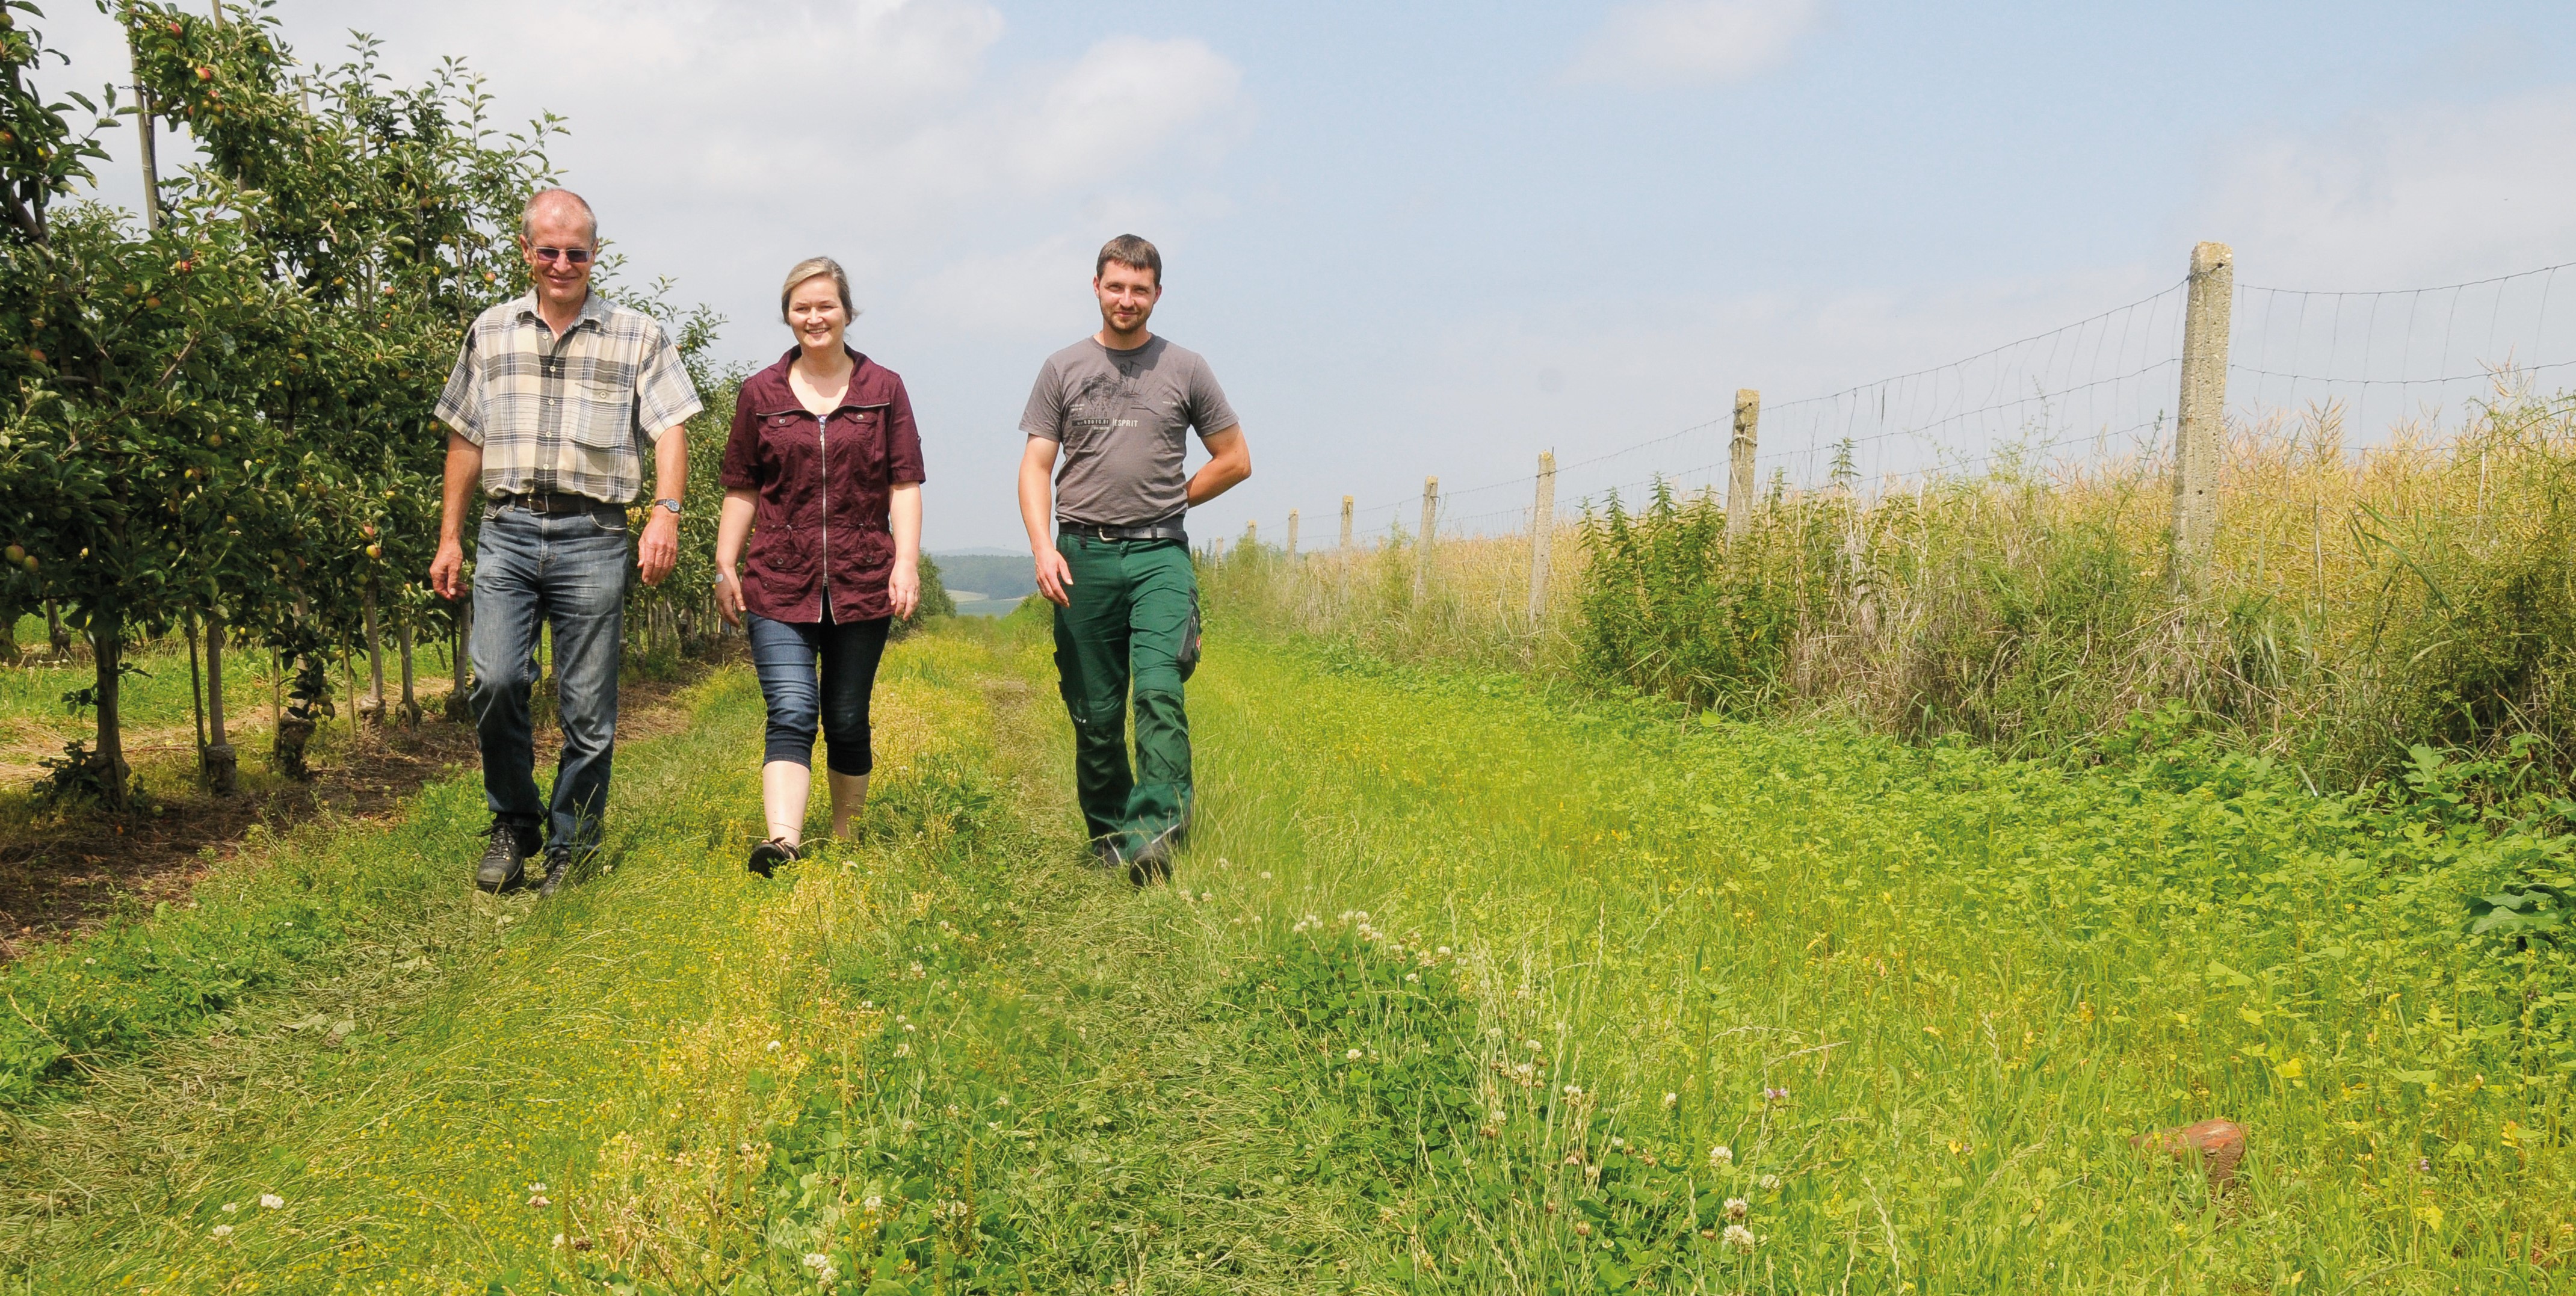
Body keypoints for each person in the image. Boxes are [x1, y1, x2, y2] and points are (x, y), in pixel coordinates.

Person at [429, 189, 703, 897]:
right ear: (526, 252)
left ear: (595, 256)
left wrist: (666, 511)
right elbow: (466, 435)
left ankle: (571, 845)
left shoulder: (637, 334)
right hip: (509, 528)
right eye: (548, 251)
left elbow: (672, 426)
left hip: (594, 532)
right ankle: (515, 824)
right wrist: (449, 536)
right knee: (493, 681)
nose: (561, 263)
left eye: (575, 252)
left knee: (587, 705)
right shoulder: (490, 331)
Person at [1018, 235, 1250, 884]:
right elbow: (1036, 467)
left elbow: (1235, 459)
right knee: (1094, 712)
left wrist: (1174, 497)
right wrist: (1042, 547)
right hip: (1080, 557)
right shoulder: (1062, 368)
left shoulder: (1187, 368)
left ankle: (1159, 832)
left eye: (1139, 289)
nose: (1127, 299)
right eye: (1116, 287)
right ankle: (1114, 834)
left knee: (1158, 690)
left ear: (1157, 294)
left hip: (1159, 557)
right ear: (1097, 287)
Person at [714, 257, 925, 875]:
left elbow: (905, 483)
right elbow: (742, 486)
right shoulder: (761, 394)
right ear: (788, 315)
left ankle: (848, 843)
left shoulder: (884, 389)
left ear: (847, 313)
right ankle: (783, 842)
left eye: (825, 305)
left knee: (847, 717)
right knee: (791, 710)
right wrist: (726, 561)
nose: (814, 317)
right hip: (779, 579)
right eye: (802, 307)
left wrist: (905, 562)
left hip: (863, 579)